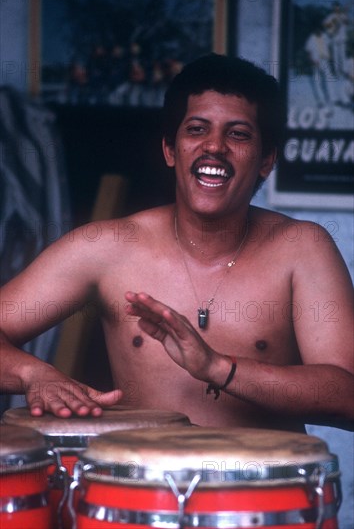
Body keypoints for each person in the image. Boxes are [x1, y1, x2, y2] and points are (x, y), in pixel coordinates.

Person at [0, 54, 353, 431]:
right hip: (144, 487)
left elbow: (347, 396)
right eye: (197, 129)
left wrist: (217, 368)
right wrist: (33, 375)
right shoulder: (107, 246)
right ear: (170, 149)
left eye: (238, 133)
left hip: (265, 487)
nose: (214, 147)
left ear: (266, 160)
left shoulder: (302, 247)